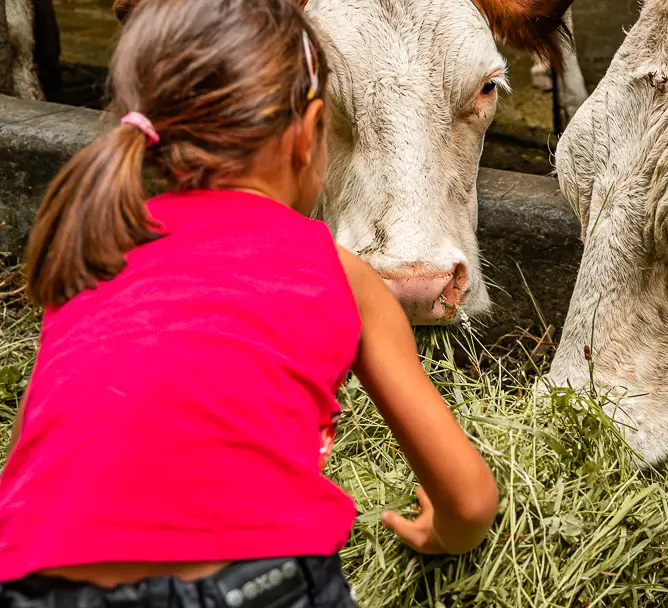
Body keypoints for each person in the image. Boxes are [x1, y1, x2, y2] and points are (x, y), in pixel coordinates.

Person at [0, 0, 499, 605]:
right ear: (308, 131)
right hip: (253, 581)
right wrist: (442, 533)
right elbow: (470, 500)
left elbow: (31, 453)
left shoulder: (89, 255)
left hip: (35, 582)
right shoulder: (339, 271)